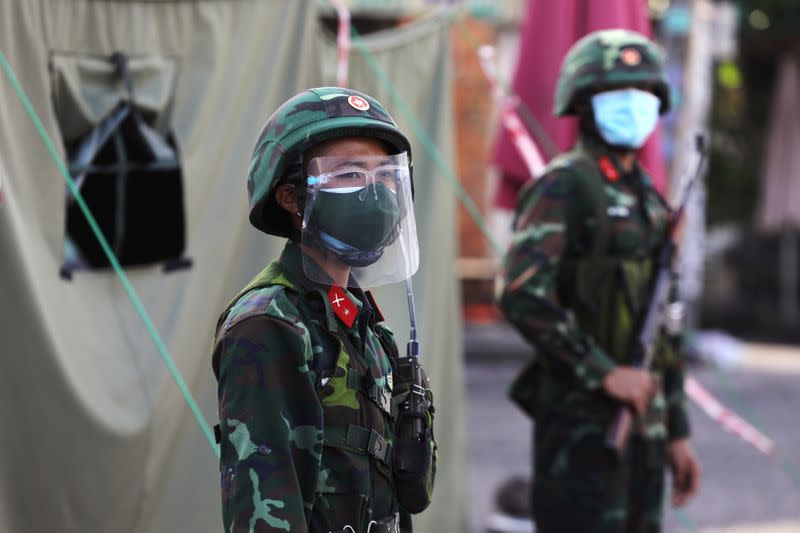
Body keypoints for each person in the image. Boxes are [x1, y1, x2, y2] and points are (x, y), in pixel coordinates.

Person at [496, 30, 701, 533]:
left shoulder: (650, 202)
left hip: (644, 434)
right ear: (585, 103)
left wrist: (676, 430)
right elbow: (522, 293)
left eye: (645, 93)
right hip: (581, 430)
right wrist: (603, 371)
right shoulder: (568, 184)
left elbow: (663, 331)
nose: (634, 105)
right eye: (617, 93)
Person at [211, 87, 436, 533]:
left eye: (386, 175)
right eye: (350, 174)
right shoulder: (269, 323)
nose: (375, 193)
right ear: (291, 197)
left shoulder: (360, 321)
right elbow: (265, 511)